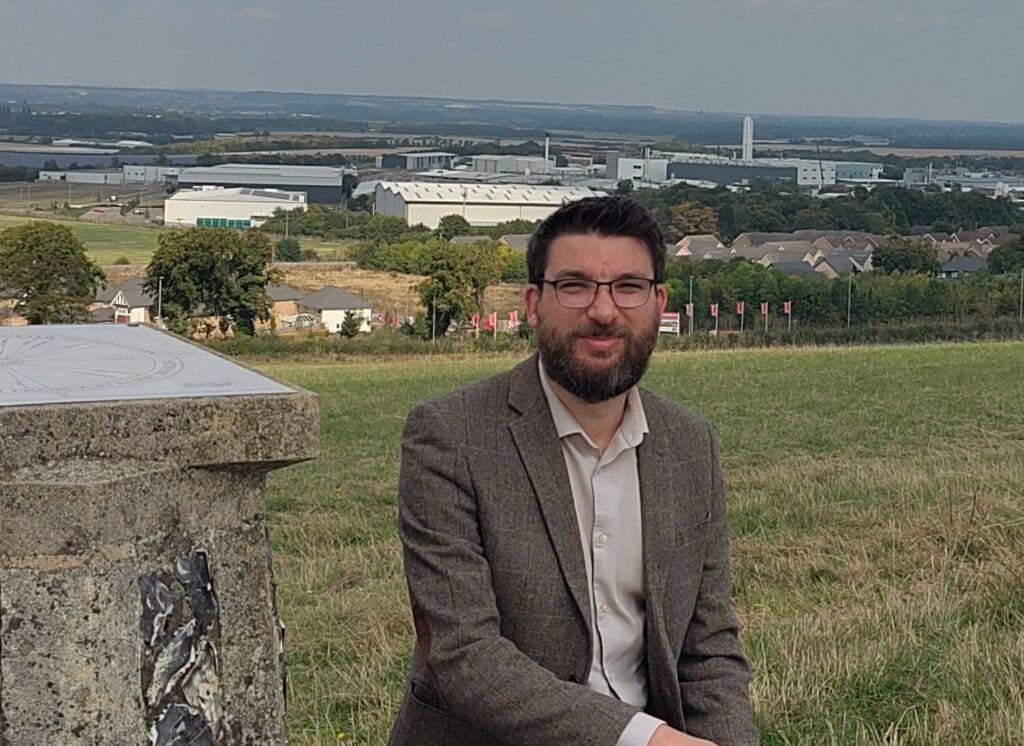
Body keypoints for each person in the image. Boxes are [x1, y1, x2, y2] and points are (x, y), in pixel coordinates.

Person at [390, 196, 757, 746]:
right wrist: (647, 741)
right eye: (575, 285)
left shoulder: (689, 445)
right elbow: (464, 656)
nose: (604, 311)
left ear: (658, 302)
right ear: (534, 303)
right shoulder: (451, 436)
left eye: (628, 286)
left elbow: (708, 649)